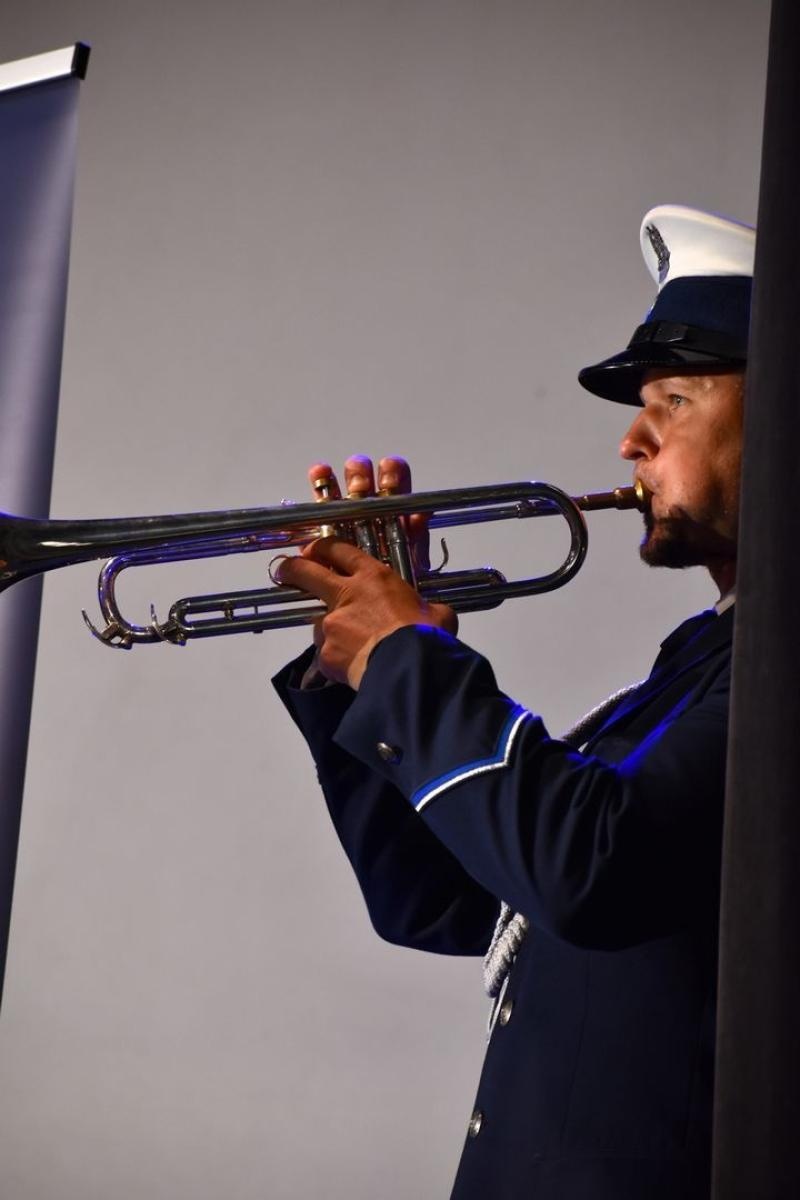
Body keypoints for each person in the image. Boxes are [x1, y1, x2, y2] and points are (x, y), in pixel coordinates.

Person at [272, 204, 754, 1200]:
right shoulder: (700, 657)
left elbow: (592, 869)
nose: (630, 440)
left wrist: (408, 662)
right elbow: (442, 904)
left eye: (672, 399)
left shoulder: (771, 672)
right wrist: (361, 667)